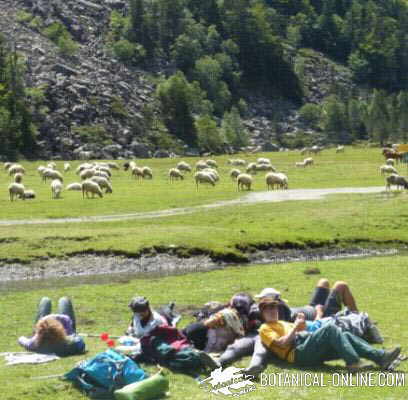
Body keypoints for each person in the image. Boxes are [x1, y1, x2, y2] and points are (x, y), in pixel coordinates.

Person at [255, 298, 400, 372]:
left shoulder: (282, 322)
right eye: (268, 310)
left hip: (307, 346)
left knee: (346, 335)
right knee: (330, 328)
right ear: (262, 313)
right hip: (298, 354)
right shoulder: (265, 328)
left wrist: (301, 322)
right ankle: (352, 362)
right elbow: (282, 343)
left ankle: (381, 358)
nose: (272, 311)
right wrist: (296, 329)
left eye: (274, 308)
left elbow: (302, 330)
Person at [183, 293, 258, 356]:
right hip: (203, 335)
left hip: (201, 334)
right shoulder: (243, 318)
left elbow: (207, 323)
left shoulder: (226, 313)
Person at [18, 297, 85, 357]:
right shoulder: (68, 344)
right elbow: (80, 342)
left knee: (45, 300)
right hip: (65, 326)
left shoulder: (34, 344)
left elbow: (21, 339)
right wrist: (72, 335)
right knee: (64, 300)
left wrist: (33, 337)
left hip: (44, 327)